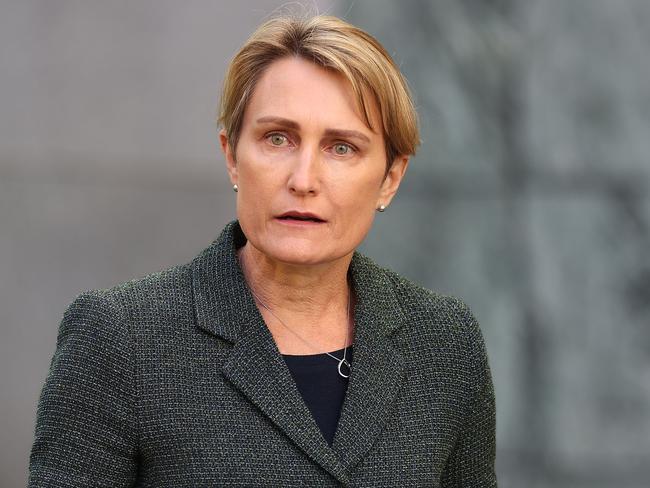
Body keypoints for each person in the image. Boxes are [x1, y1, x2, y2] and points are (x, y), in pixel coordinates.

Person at [28, 14, 497, 487]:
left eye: (341, 148)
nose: (303, 180)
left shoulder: (444, 344)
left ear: (390, 178)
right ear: (232, 155)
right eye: (278, 139)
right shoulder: (118, 338)